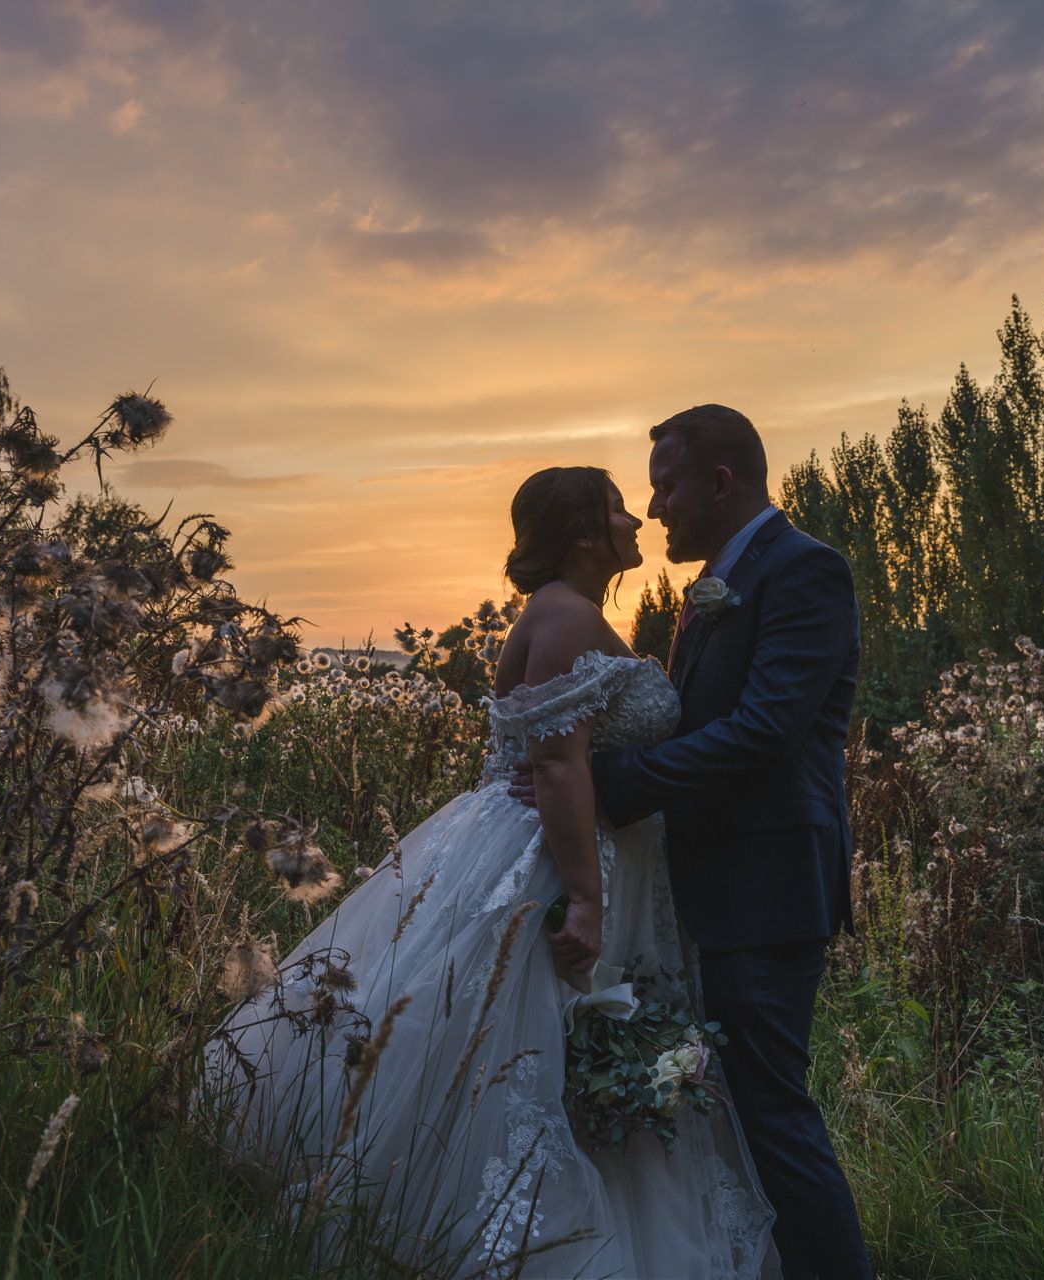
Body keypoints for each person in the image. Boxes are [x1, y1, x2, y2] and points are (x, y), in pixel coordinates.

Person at [205, 464, 781, 1278]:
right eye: (620, 508)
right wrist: (584, 897)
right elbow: (554, 766)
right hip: (549, 866)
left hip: (575, 852)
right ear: (584, 533)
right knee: (535, 1055)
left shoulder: (567, 613)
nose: (637, 520)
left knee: (564, 1053)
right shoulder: (563, 619)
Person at [513, 405, 872, 1279]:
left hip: (768, 886)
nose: (654, 506)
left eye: (667, 487)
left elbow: (763, 732)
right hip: (704, 886)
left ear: (720, 482)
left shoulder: (804, 571)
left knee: (769, 1108)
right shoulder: (710, 588)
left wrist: (612, 791)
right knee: (735, 1108)